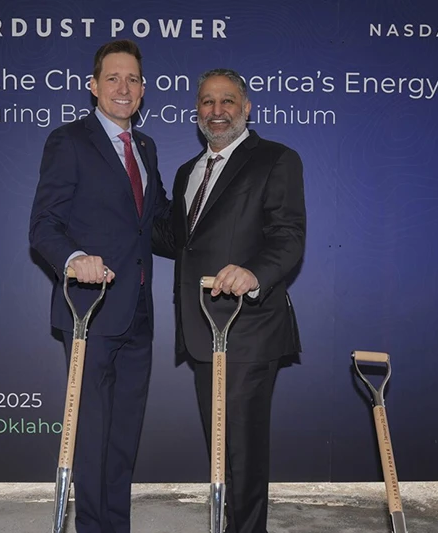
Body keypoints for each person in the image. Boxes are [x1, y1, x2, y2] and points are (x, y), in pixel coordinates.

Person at [153, 68, 306, 533]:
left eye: (227, 101)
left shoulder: (276, 159)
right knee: (221, 450)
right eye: (207, 102)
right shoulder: (187, 171)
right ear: (196, 110)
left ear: (246, 107)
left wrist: (254, 273)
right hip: (203, 327)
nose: (216, 111)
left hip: (249, 326)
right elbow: (175, 239)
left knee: (242, 451)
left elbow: (288, 236)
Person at [29, 39, 168, 533]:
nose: (123, 87)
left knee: (124, 437)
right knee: (92, 435)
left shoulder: (146, 148)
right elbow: (44, 226)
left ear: (143, 89)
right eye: (112, 78)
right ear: (93, 86)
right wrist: (75, 260)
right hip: (90, 310)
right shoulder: (69, 141)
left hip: (139, 313)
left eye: (132, 79)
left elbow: (158, 224)